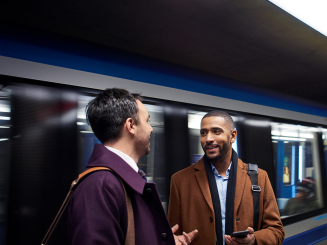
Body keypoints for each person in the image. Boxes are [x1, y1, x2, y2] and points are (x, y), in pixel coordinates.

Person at [67, 88, 197, 245]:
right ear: (131, 125)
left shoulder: (118, 180)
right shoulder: (100, 186)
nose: (151, 128)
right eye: (147, 121)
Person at [168, 111, 284, 245]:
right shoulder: (180, 181)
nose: (208, 139)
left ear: (232, 136)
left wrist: (254, 240)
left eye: (216, 131)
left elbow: (277, 230)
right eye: (203, 133)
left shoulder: (259, 178)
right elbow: (173, 233)